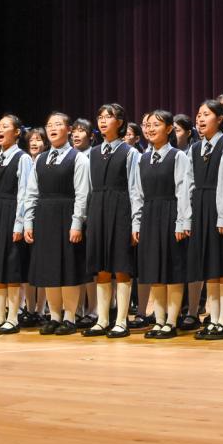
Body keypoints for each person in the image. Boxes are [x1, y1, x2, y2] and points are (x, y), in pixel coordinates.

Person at [22, 112, 90, 335]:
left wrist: (77, 223)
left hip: (67, 216)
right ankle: (54, 316)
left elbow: (82, 194)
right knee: (49, 268)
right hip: (45, 218)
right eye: (49, 124)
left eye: (58, 124)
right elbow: (31, 193)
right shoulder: (40, 159)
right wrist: (28, 222)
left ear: (68, 130)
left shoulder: (78, 158)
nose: (52, 128)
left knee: (68, 268)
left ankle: (69, 318)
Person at [131, 109, 194, 339]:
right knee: (154, 270)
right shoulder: (142, 159)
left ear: (169, 129)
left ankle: (171, 321)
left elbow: (183, 190)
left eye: (156, 125)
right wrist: (136, 223)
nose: (150, 129)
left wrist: (182, 222)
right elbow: (137, 194)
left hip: (171, 214)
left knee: (172, 269)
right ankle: (158, 320)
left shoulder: (178, 156)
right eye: (147, 125)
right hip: (149, 216)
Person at [83, 103, 139, 337]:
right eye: (100, 116)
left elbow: (135, 189)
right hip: (98, 211)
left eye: (109, 116)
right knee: (102, 269)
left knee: (121, 266)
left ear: (120, 122)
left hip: (121, 210)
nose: (103, 120)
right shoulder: (93, 153)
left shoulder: (130, 152)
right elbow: (88, 189)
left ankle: (122, 321)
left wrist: (136, 222)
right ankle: (102, 319)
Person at [188, 99, 223, 339]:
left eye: (206, 114)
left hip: (219, 208)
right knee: (209, 266)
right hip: (200, 208)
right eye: (199, 114)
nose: (200, 119)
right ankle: (214, 316)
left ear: (220, 119)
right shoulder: (195, 148)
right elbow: (189, 183)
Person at [0, 115, 33, 334]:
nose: (0, 130)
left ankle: (13, 317)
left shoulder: (22, 158)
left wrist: (19, 224)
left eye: (5, 127)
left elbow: (25, 193)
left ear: (17, 132)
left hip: (12, 212)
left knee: (11, 266)